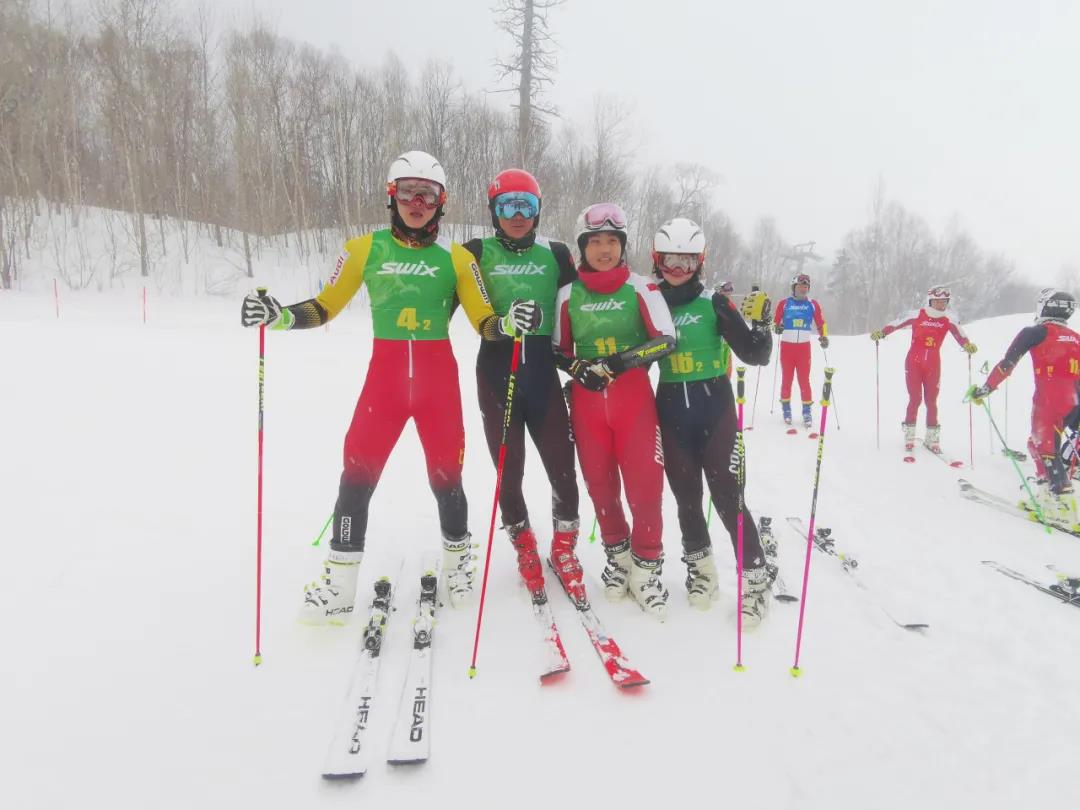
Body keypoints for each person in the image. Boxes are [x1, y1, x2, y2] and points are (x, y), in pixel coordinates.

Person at [240, 150, 537, 624]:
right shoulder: (363, 249)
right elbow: (323, 307)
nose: (417, 202)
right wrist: (280, 317)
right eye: (407, 192)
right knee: (356, 473)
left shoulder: (457, 259)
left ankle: (458, 562)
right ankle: (338, 585)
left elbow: (484, 321)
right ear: (390, 195)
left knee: (447, 476)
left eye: (428, 194)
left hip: (438, 383)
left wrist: (509, 322)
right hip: (386, 381)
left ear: (442, 203)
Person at [552, 202, 676, 620]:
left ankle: (647, 566)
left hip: (633, 400)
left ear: (622, 246)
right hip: (587, 404)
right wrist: (577, 369)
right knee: (600, 485)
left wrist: (618, 363)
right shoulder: (568, 295)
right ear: (582, 246)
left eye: (612, 241)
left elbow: (666, 339)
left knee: (645, 486)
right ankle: (618, 558)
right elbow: (557, 348)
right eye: (595, 242)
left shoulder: (642, 287)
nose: (604, 249)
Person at [462, 169, 582, 603]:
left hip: (544, 374)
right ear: (493, 211)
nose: (517, 215)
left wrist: (581, 363)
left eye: (526, 206)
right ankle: (524, 544)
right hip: (497, 369)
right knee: (508, 472)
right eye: (507, 206)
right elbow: (443, 299)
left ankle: (565, 546)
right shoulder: (475, 251)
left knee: (562, 467)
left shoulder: (557, 252)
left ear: (537, 211)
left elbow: (581, 306)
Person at [651, 218, 774, 623]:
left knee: (727, 498)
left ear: (700, 262)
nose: (679, 268)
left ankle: (756, 580)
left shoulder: (714, 303)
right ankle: (701, 571)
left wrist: (762, 324)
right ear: (657, 260)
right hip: (670, 411)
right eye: (671, 259)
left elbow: (755, 355)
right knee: (686, 498)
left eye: (687, 260)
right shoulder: (650, 302)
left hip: (715, 410)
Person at [970, 288, 1080, 527]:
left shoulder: (1035, 332)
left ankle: (1063, 504)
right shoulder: (1075, 337)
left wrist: (987, 388)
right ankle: (1044, 493)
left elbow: (1008, 363)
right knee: (1036, 444)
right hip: (1073, 398)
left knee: (1047, 448)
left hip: (1050, 399)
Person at [871, 286, 977, 452]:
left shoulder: (948, 320)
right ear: (930, 301)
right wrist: (882, 333)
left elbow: (960, 336)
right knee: (915, 399)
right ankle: (909, 436)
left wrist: (968, 346)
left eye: (944, 302)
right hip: (914, 363)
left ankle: (932, 439)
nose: (940, 305)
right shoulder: (918, 314)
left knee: (931, 401)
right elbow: (896, 324)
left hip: (933, 365)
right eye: (937, 301)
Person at [773, 273, 828, 427]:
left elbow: (821, 323)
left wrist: (824, 337)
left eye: (806, 286)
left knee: (804, 380)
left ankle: (806, 411)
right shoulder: (784, 303)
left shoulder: (813, 304)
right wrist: (777, 328)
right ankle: (786, 409)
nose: (804, 289)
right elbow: (775, 322)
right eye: (801, 286)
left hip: (803, 349)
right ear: (794, 287)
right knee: (787, 379)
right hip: (787, 348)